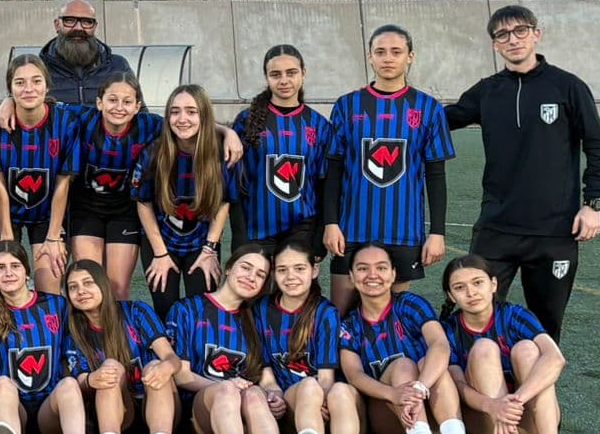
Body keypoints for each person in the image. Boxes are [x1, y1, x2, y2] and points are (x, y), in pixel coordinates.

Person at [445, 5, 600, 342]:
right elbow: (442, 119)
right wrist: (398, 108)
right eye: (503, 34)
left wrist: (593, 204)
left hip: (554, 231)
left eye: (520, 30)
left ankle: (536, 379)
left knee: (545, 327)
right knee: (471, 318)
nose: (513, 39)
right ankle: (473, 376)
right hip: (496, 227)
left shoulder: (567, 87)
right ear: (495, 44)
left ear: (537, 34)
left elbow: (598, 147)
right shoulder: (487, 91)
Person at [321, 25, 455, 308]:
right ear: (370, 57)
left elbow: (436, 175)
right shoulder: (347, 105)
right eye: (380, 52)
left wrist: (437, 232)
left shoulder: (429, 108)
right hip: (351, 229)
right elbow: (333, 171)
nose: (388, 58)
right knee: (341, 316)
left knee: (391, 319)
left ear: (410, 56)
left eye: (396, 52)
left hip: (403, 230)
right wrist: (331, 223)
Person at [336, 244, 469, 434]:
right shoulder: (349, 325)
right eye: (363, 268)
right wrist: (393, 394)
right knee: (403, 365)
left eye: (381, 268)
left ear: (393, 274)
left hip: (431, 404)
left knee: (432, 362)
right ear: (352, 276)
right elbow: (354, 375)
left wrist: (420, 387)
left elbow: (439, 344)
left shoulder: (410, 304)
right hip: (388, 416)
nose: (373, 275)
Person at [439, 255, 569, 434]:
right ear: (451, 295)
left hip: (529, 421)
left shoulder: (514, 314)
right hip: (485, 422)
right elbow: (457, 385)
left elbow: (555, 358)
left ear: (493, 284)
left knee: (528, 349)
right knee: (484, 347)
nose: (471, 292)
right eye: (460, 287)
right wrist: (494, 406)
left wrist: (514, 402)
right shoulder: (448, 329)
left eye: (478, 283)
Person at [169, 245, 285, 434]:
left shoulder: (255, 319)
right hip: (201, 412)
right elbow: (181, 376)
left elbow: (266, 377)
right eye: (246, 268)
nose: (251, 277)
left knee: (255, 393)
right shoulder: (187, 309)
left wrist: (275, 394)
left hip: (245, 411)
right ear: (229, 268)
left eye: (260, 274)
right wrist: (227, 385)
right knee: (228, 390)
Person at [257, 240, 363, 434]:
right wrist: (273, 394)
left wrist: (322, 403)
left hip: (332, 408)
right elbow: (266, 373)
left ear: (314, 270)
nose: (290, 276)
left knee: (339, 390)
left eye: (299, 268)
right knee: (308, 386)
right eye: (282, 270)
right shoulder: (261, 309)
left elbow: (326, 376)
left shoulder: (325, 311)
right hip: (292, 406)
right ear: (273, 273)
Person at [0, 241, 84, 434]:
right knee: (3, 384)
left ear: (27, 271)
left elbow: (68, 356)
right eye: (0, 268)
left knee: (69, 384)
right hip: (9, 407)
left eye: (15, 266)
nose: (8, 273)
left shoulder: (56, 305)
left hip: (49, 409)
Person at [62, 258, 179, 434]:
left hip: (158, 400)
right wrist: (92, 378)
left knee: (155, 365)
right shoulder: (75, 331)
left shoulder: (136, 311)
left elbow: (171, 358)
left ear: (103, 284)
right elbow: (80, 380)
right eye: (73, 287)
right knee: (110, 368)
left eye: (88, 283)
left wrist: (166, 367)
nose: (81, 291)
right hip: (119, 412)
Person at [64, 70, 161, 302]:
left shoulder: (149, 125)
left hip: (124, 212)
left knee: (118, 289)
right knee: (90, 282)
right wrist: (7, 103)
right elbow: (43, 106)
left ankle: (119, 327)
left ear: (137, 107)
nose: (119, 107)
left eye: (127, 102)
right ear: (99, 103)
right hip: (85, 210)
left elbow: (189, 125)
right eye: (112, 100)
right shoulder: (82, 118)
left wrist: (226, 132)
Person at [229, 44, 333, 257]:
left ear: (303, 73)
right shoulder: (246, 120)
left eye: (291, 73)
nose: (284, 80)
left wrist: (319, 236)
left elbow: (323, 184)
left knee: (294, 279)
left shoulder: (319, 125)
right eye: (276, 74)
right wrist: (239, 235)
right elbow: (234, 182)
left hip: (302, 227)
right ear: (266, 77)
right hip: (257, 228)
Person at [137, 84, 230, 313]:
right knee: (165, 309)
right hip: (161, 241)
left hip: (202, 242)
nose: (182, 119)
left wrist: (210, 249)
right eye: (175, 112)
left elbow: (223, 202)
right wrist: (160, 253)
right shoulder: (153, 152)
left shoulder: (220, 153)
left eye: (191, 111)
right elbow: (143, 203)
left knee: (202, 311)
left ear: (204, 115)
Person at [0, 53, 76, 294]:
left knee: (49, 290)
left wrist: (54, 236)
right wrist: (6, 237)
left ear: (47, 86)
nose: (29, 88)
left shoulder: (66, 122)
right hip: (3, 212)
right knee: (5, 286)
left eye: (36, 81)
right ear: (10, 89)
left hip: (47, 213)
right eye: (20, 82)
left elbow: (63, 183)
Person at [35, 0, 131, 107]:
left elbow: (139, 111)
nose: (78, 28)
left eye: (86, 22)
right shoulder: (38, 68)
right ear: (57, 25)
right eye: (70, 20)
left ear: (95, 27)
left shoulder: (117, 66)